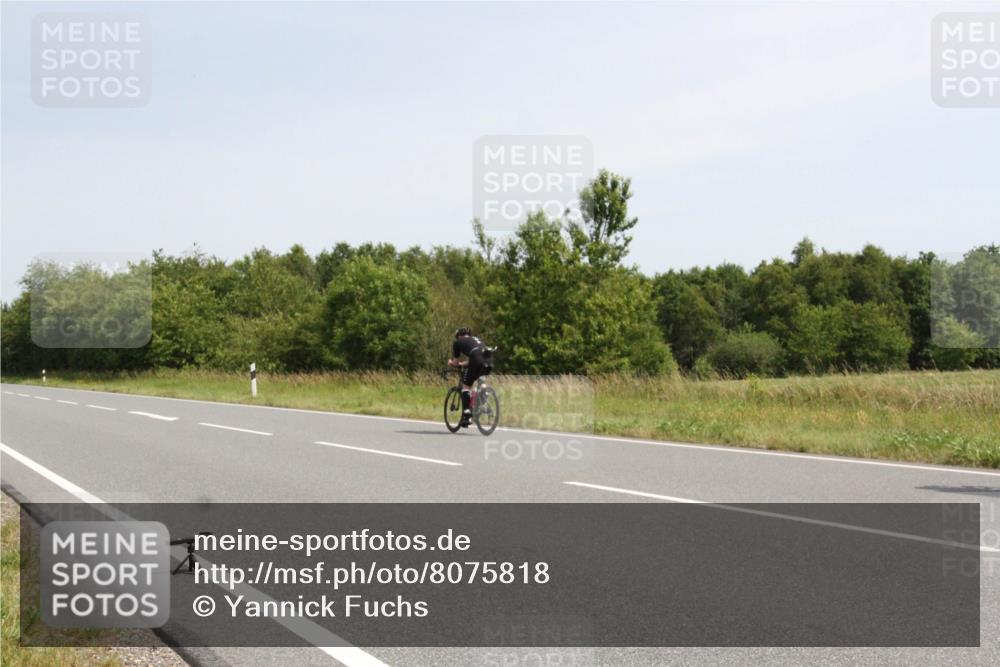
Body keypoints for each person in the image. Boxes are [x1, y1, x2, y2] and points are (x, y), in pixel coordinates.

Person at [447, 327, 492, 427]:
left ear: (458, 336)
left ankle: (467, 413)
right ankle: (483, 398)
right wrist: (463, 364)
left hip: (476, 359)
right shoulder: (476, 340)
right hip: (488, 359)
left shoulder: (458, 342)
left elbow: (455, 362)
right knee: (481, 381)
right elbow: (476, 358)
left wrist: (451, 363)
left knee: (466, 387)